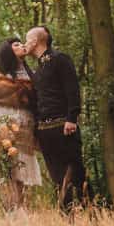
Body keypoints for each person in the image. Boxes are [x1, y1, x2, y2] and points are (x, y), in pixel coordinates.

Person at [25, 25, 86, 210]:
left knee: (75, 172)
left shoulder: (60, 59)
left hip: (64, 126)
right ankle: (67, 215)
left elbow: (72, 89)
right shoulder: (40, 68)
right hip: (45, 131)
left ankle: (91, 211)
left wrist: (72, 118)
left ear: (35, 41)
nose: (25, 44)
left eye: (27, 40)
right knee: (57, 176)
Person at [0, 37, 42, 207]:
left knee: (22, 170)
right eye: (16, 44)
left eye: (22, 43)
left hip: (24, 128)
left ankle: (22, 211)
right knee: (5, 169)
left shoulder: (31, 74)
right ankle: (10, 211)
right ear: (7, 50)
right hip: (2, 127)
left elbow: (37, 103)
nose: (21, 45)